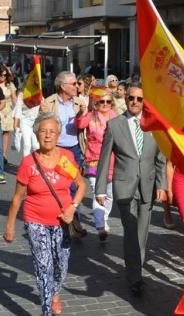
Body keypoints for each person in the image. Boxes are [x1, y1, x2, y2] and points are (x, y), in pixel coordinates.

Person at [3, 113, 86, 316]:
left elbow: (81, 185)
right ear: (36, 134)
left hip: (63, 223)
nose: (47, 135)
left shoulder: (65, 158)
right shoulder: (29, 163)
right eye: (43, 131)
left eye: (52, 131)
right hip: (35, 222)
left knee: (61, 266)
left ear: (58, 134)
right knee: (43, 269)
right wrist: (10, 225)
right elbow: (17, 198)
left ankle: (55, 292)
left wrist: (73, 207)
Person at [95, 83, 167, 297]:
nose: (134, 102)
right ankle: (135, 277)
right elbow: (104, 158)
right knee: (131, 231)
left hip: (148, 186)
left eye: (139, 99)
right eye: (131, 98)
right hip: (124, 186)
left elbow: (160, 159)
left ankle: (136, 267)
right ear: (125, 100)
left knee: (142, 233)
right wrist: (100, 189)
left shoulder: (153, 125)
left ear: (145, 102)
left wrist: (162, 185)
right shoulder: (115, 125)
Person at [42, 71, 88, 238]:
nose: (77, 86)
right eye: (74, 84)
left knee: (75, 186)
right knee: (62, 186)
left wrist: (83, 116)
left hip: (75, 149)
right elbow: (41, 127)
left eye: (77, 83)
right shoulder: (49, 103)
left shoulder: (79, 102)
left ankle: (75, 221)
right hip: (58, 150)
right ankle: (63, 222)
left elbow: (84, 126)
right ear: (63, 86)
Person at [76, 86, 118, 240]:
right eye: (102, 102)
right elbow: (79, 125)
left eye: (108, 102)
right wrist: (81, 113)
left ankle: (104, 217)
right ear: (96, 103)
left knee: (110, 194)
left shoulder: (115, 116)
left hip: (112, 161)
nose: (105, 105)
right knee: (97, 193)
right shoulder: (90, 116)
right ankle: (100, 224)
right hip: (93, 160)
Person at [0, 66, 18, 159]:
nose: (3, 77)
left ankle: (4, 154)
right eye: (1, 75)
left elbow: (14, 99)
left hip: (8, 111)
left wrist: (18, 110)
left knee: (6, 133)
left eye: (5, 75)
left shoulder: (10, 85)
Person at [13, 88, 40, 156]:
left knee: (36, 146)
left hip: (36, 122)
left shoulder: (39, 93)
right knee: (27, 145)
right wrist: (15, 125)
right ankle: (26, 165)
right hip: (25, 121)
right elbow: (18, 109)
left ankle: (36, 163)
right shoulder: (22, 94)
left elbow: (44, 107)